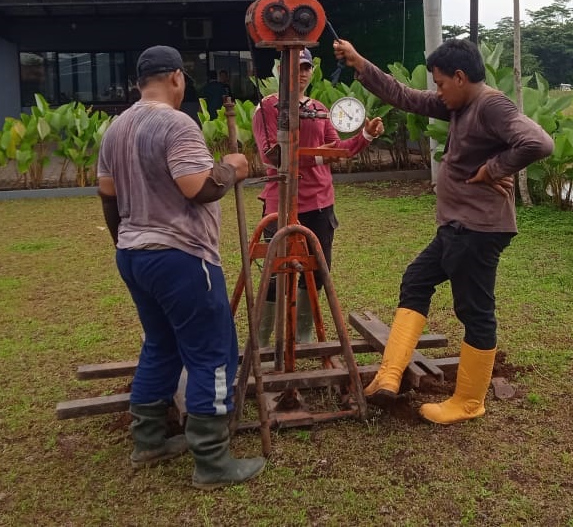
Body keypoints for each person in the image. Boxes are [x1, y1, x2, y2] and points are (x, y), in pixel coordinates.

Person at [333, 37, 554, 424]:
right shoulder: (458, 102)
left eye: (440, 83)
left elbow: (538, 142)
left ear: (460, 76)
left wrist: (495, 168)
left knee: (475, 311)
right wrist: (359, 62)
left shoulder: (491, 104)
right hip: (456, 226)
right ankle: (390, 375)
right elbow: (404, 95)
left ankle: (469, 400)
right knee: (416, 280)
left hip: (478, 229)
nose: (436, 91)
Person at [96, 45, 265, 489]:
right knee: (212, 351)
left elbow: (108, 196)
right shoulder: (176, 123)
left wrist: (124, 243)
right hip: (182, 256)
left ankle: (148, 440)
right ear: (175, 78)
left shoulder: (115, 128)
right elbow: (198, 187)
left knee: (161, 345)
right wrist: (231, 167)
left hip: (133, 254)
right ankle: (212, 461)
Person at [252, 47, 384, 344]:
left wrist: (366, 136)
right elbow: (274, 157)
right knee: (274, 273)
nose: (301, 73)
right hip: (281, 201)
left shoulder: (321, 108)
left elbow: (337, 150)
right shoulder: (266, 109)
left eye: (306, 67)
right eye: (294, 67)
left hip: (320, 203)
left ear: (312, 72)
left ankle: (304, 336)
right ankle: (261, 341)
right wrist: (321, 156)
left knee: (318, 270)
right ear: (280, 71)